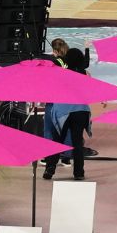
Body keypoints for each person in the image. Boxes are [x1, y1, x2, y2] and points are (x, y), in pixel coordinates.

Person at [42, 39, 90, 181]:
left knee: (57, 142)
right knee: (77, 144)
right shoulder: (83, 73)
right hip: (81, 111)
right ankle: (79, 173)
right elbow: (86, 65)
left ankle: (49, 170)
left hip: (63, 111)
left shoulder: (61, 73)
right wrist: (87, 49)